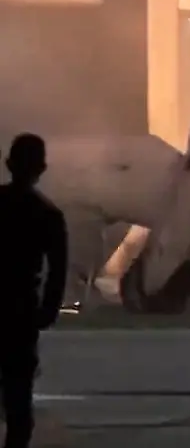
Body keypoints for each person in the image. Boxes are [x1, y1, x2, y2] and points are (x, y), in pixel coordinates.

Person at [0, 134, 68, 448]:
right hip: (20, 311)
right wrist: (48, 309)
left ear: (8, 164)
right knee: (19, 402)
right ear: (41, 169)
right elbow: (57, 269)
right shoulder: (48, 214)